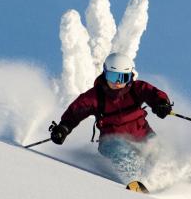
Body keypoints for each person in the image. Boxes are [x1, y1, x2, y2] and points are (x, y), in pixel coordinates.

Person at [50, 52, 173, 184]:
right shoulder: (95, 96)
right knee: (120, 150)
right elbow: (75, 111)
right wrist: (63, 128)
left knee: (160, 153)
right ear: (105, 73)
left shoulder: (137, 89)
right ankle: (134, 180)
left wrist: (161, 104)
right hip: (112, 140)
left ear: (130, 76)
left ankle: (167, 181)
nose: (118, 83)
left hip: (143, 136)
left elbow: (152, 94)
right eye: (113, 77)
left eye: (123, 78)